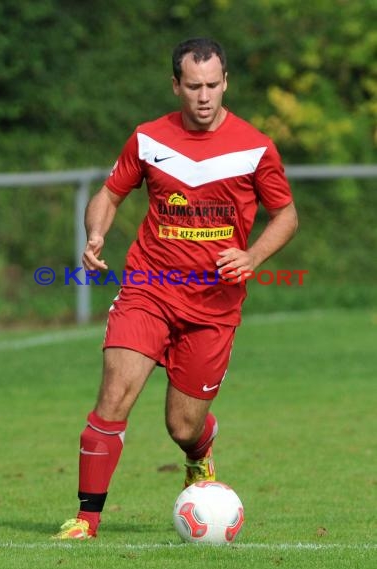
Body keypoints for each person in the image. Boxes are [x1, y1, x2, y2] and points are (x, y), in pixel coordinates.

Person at [53, 37, 298, 540]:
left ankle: (199, 452)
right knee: (114, 397)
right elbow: (110, 193)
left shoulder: (255, 146)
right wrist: (95, 233)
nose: (204, 96)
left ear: (225, 82)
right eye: (193, 86)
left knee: (183, 426)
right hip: (149, 287)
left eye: (212, 85)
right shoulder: (148, 139)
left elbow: (287, 215)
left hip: (213, 305)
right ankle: (86, 519)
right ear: (176, 85)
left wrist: (252, 256)